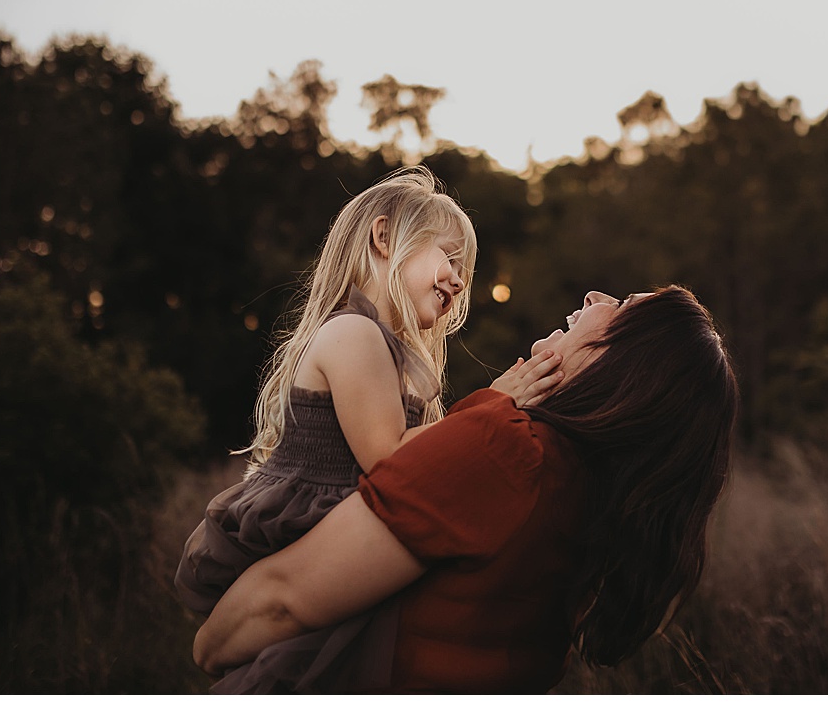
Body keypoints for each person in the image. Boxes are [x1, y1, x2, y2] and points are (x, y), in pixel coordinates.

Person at [193, 285, 739, 692]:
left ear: (617, 361)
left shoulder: (507, 450)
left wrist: (208, 649)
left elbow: (282, 600)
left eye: (619, 305)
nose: (596, 295)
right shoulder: (599, 499)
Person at [176, 167, 562, 692]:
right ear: (384, 239)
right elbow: (388, 456)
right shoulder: (355, 333)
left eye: (465, 270)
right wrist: (496, 404)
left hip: (343, 535)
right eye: (448, 258)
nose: (458, 278)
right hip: (312, 527)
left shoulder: (387, 349)